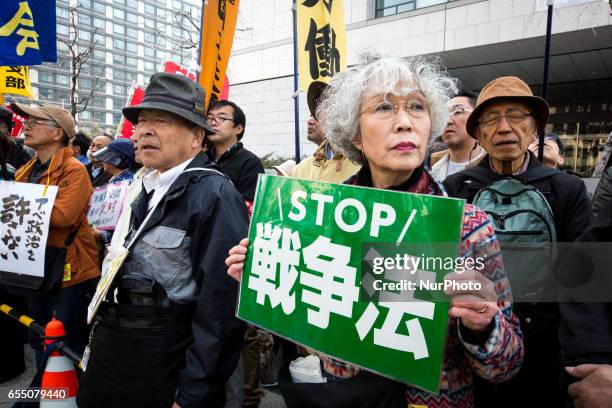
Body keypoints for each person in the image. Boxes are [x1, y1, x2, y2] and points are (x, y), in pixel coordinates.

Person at [226, 55, 523, 407]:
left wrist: (484, 324)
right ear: (355, 134)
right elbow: (311, 333)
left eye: (416, 107)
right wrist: (266, 274)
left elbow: (506, 365)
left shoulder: (468, 227)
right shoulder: (319, 220)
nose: (404, 123)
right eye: (383, 108)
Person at [77, 73, 247, 408]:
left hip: (164, 360)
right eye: (141, 121)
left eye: (162, 120)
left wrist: (191, 393)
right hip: (114, 349)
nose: (144, 131)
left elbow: (220, 309)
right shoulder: (141, 185)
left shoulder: (214, 193)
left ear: (197, 137)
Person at [443, 76, 592, 407]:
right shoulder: (455, 189)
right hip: (475, 337)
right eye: (492, 119)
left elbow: (584, 281)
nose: (504, 128)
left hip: (545, 344)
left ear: (535, 128)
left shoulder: (567, 190)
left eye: (516, 116)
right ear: (479, 134)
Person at [10, 102, 100, 361]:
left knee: (64, 340)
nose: (26, 125)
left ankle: (66, 396)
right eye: (27, 121)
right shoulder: (27, 169)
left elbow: (64, 215)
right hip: (35, 262)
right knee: (39, 334)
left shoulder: (74, 169)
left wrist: (16, 206)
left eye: (35, 121)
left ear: (57, 133)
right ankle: (44, 394)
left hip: (67, 266)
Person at [292, 80, 361, 183]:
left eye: (334, 103)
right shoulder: (301, 169)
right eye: (322, 105)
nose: (329, 111)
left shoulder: (370, 166)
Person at [205, 100, 264, 205]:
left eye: (221, 118)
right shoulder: (201, 158)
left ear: (238, 128)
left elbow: (249, 209)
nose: (213, 123)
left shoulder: (250, 163)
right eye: (210, 118)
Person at [430, 91, 485, 181]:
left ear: (477, 119)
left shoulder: (494, 164)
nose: (448, 121)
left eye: (458, 112)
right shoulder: (429, 163)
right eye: (443, 115)